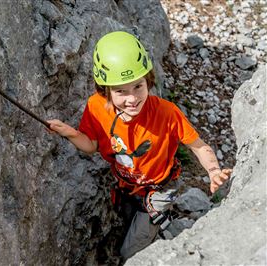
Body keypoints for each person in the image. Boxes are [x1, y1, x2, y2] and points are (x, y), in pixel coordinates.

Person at [47, 31, 232, 260]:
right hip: (126, 183)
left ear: (148, 80)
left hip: (159, 188)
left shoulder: (166, 113)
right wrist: (70, 133)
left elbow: (199, 146)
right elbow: (92, 145)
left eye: (138, 86)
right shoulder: (96, 107)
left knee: (129, 251)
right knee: (127, 216)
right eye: (121, 91)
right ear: (106, 91)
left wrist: (213, 171)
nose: (132, 99)